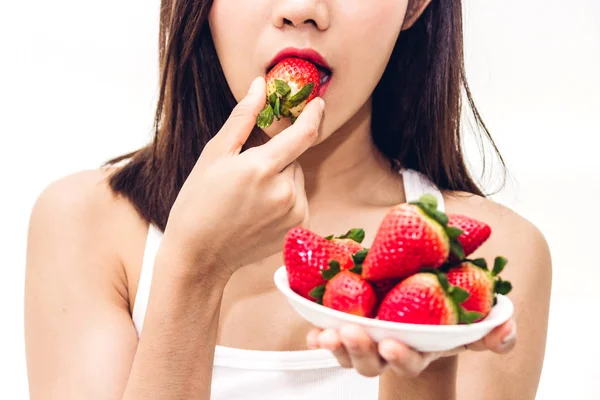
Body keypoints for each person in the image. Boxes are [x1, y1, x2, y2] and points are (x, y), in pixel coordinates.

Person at [24, 0, 552, 399]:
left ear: (414, 5)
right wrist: (192, 270)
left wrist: (427, 367)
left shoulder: (480, 259)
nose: (302, 10)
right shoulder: (86, 225)